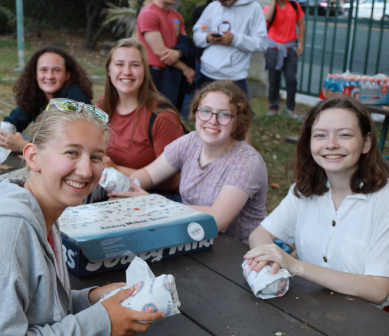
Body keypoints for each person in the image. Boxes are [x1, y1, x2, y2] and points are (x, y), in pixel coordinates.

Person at [0, 98, 165, 335]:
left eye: (96, 157)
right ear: (33, 157)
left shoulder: (42, 214)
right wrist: (101, 321)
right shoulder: (7, 233)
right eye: (71, 152)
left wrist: (88, 300)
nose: (86, 170)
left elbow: (37, 307)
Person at [245, 96, 389, 309]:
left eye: (345, 135)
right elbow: (259, 235)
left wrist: (294, 265)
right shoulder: (304, 189)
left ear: (366, 143)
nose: (331, 144)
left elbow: (378, 290)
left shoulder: (384, 201)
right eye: (320, 135)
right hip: (310, 311)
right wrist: (271, 259)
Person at [109, 81, 267, 244]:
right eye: (205, 111)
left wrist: (152, 205)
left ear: (237, 122)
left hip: (236, 252)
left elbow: (218, 219)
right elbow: (148, 174)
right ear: (196, 113)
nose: (213, 120)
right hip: (192, 238)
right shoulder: (190, 142)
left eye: (224, 114)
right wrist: (127, 190)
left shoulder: (247, 161)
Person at [97, 38, 185, 198]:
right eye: (119, 64)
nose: (127, 71)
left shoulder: (163, 117)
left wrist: (117, 169)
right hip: (109, 192)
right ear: (109, 70)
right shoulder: (103, 105)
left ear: (145, 71)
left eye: (135, 65)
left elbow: (175, 180)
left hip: (153, 198)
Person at [0, 45, 93, 153]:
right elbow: (13, 120)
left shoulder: (74, 97)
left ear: (67, 75)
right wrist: (3, 134)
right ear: (35, 74)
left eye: (56, 70)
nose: (49, 76)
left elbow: (68, 147)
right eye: (43, 70)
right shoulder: (37, 95)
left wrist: (22, 146)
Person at [192, 0, 267, 104]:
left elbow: (261, 43)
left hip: (234, 76)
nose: (221, 3)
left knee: (238, 116)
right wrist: (207, 37)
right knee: (206, 113)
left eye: (225, 0)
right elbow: (196, 36)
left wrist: (235, 39)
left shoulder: (254, 7)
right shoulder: (213, 6)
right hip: (207, 72)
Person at [136, 0, 196, 111]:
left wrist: (179, 52)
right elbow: (162, 54)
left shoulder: (177, 16)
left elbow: (185, 43)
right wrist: (186, 69)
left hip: (174, 73)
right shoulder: (148, 13)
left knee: (173, 111)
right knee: (155, 113)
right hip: (155, 74)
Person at [263, 0, 306, 118]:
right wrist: (273, 3)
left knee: (291, 79)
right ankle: (273, 107)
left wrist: (301, 44)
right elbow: (267, 19)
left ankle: (290, 108)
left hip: (290, 48)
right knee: (274, 79)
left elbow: (301, 24)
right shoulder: (269, 8)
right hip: (274, 48)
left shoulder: (294, 5)